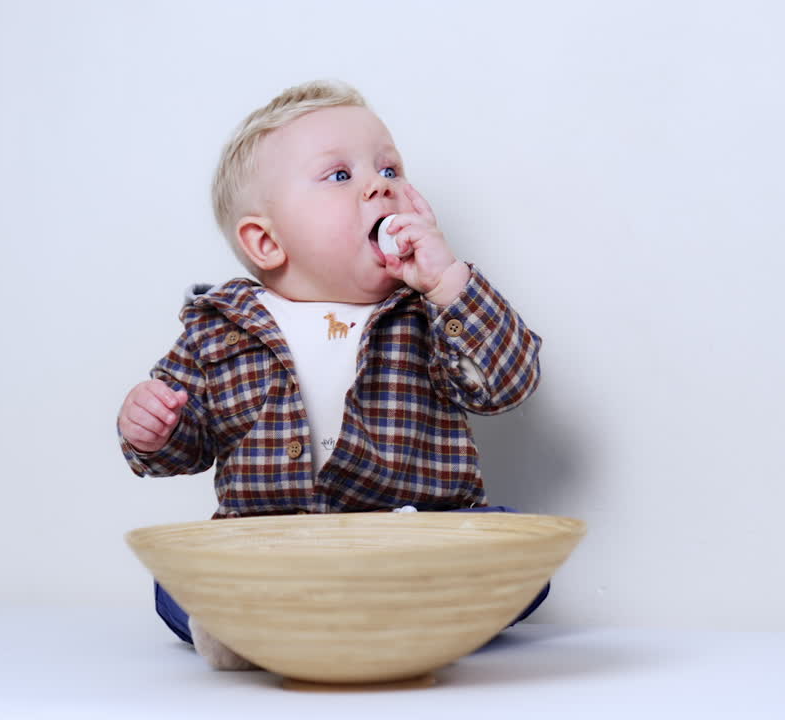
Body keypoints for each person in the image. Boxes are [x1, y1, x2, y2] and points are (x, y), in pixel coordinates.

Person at [117, 80, 546, 670]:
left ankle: (351, 622)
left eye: (390, 167)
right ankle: (288, 624)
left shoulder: (428, 311)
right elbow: (185, 446)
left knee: (511, 548)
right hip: (275, 546)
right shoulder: (219, 327)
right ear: (266, 241)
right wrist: (154, 427)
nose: (380, 184)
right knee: (177, 579)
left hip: (410, 536)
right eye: (341, 176)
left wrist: (448, 280)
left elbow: (507, 382)